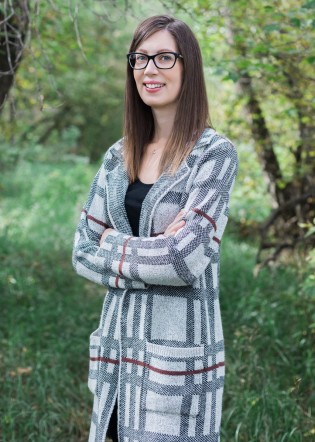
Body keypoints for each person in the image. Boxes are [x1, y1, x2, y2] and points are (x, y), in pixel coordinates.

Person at [72, 14, 238, 442]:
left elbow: (184, 261)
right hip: (118, 360)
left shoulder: (214, 156)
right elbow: (81, 250)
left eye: (165, 57)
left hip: (176, 367)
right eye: (140, 58)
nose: (150, 69)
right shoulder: (117, 155)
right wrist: (153, 250)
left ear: (189, 66)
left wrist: (112, 242)